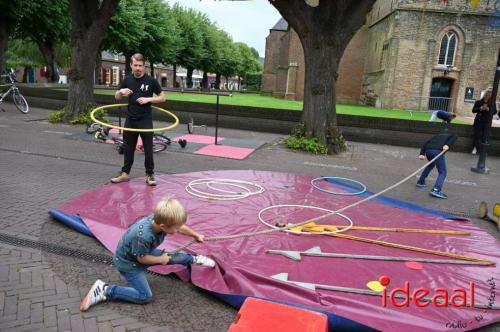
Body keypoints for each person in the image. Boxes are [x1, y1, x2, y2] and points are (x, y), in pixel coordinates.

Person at [79, 197, 216, 312]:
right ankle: (104, 290)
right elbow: (142, 259)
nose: (178, 229)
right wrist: (161, 259)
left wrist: (196, 235)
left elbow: (180, 227)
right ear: (163, 226)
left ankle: (193, 259)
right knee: (144, 296)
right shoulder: (144, 236)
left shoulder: (157, 219)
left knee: (169, 257)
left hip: (141, 253)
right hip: (129, 263)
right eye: (176, 228)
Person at [111, 53, 165, 186]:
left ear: (144, 66)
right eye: (135, 65)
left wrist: (149, 99)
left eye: (140, 66)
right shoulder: (127, 80)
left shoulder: (151, 81)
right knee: (128, 148)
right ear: (131, 65)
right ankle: (125, 174)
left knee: (148, 149)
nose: (138, 68)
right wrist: (120, 92)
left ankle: (150, 174)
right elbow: (117, 97)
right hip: (131, 119)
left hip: (145, 119)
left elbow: (163, 97)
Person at [416, 133, 457, 199]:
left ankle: (420, 182)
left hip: (428, 151)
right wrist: (447, 145)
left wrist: (422, 153)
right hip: (437, 151)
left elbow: (426, 143)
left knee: (430, 165)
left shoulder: (436, 136)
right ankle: (436, 190)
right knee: (443, 172)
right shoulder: (451, 135)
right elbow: (454, 136)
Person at [471, 89, 497, 154]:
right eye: (485, 95)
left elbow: (495, 112)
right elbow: (473, 110)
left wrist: (489, 109)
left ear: (490, 96)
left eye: (488, 95)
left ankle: (483, 150)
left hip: (487, 122)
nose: (486, 96)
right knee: (477, 135)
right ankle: (475, 148)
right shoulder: (478, 102)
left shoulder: (492, 103)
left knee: (485, 136)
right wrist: (480, 108)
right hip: (479, 121)